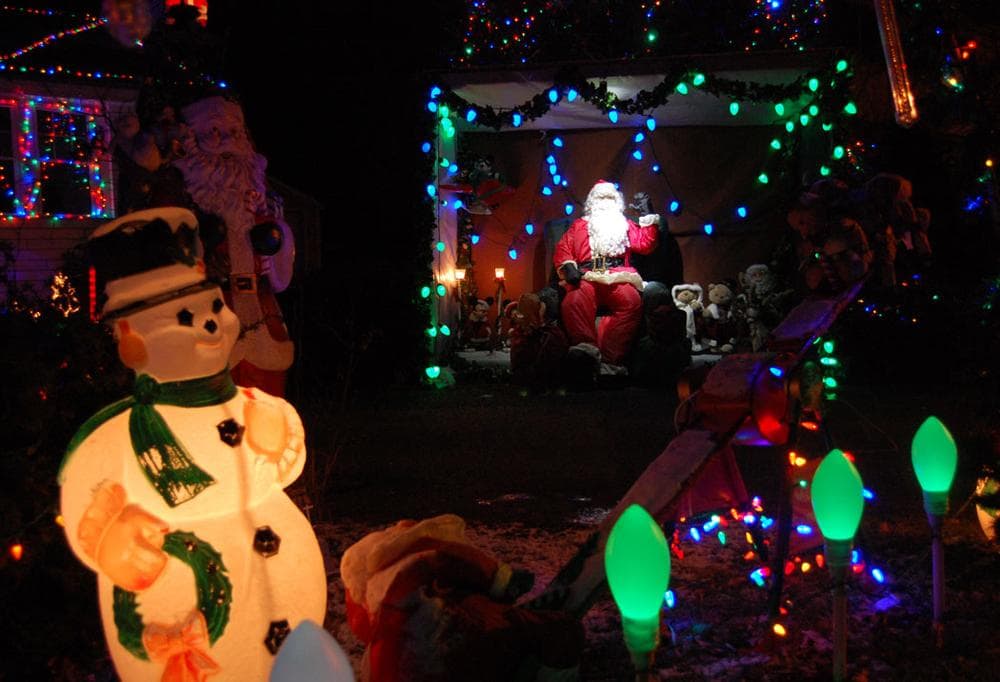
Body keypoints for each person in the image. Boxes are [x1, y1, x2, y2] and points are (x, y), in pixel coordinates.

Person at [554, 181, 659, 375]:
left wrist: (646, 214)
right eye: (600, 198)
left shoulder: (624, 224)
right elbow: (564, 248)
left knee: (631, 302)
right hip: (587, 277)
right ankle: (586, 353)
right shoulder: (579, 226)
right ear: (592, 202)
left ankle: (611, 360)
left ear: (617, 202)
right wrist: (568, 266)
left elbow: (646, 244)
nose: (605, 202)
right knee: (574, 301)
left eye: (609, 198)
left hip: (618, 275)